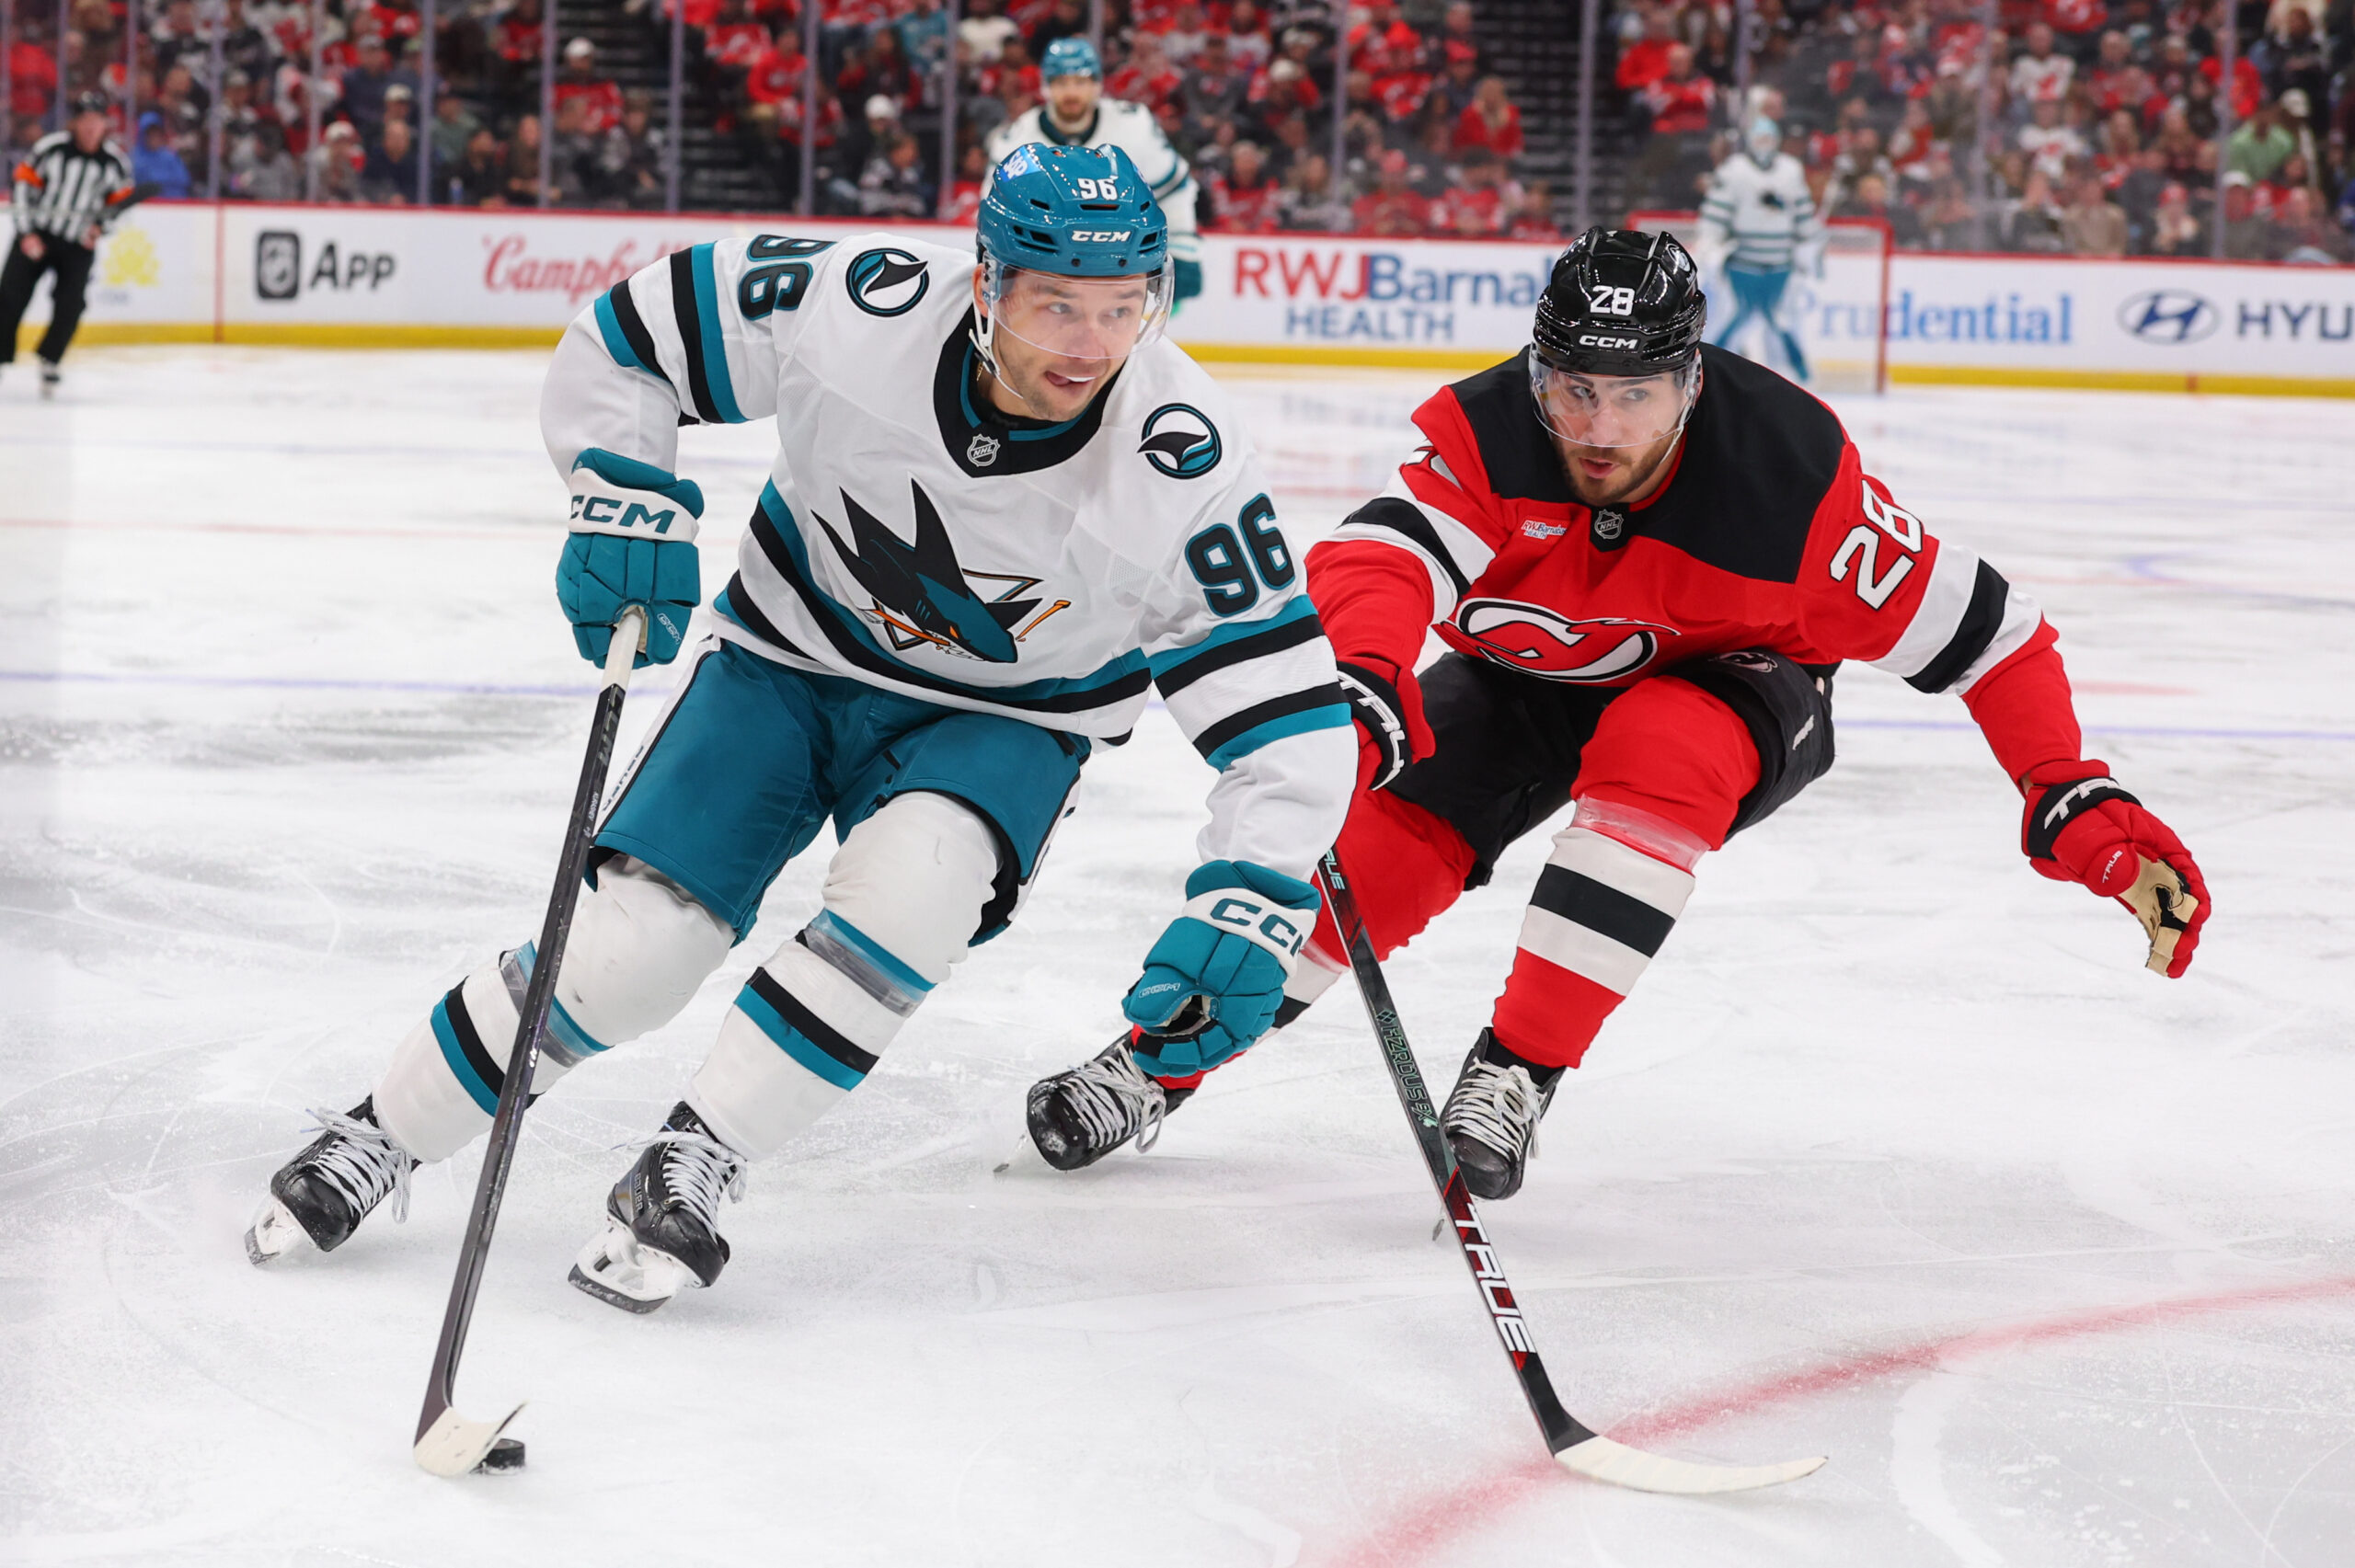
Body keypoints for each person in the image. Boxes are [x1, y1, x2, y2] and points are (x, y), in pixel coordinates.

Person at [243, 143, 1356, 1310]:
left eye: (1124, 309)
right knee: (634, 951)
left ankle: (702, 1150)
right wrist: (618, 487)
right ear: (985, 286)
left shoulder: (1181, 456)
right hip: (785, 659)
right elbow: (633, 335)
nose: (1090, 345)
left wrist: (1258, 886)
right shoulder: (855, 307)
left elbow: (1280, 702)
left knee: (914, 894)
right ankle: (386, 1131)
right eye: (1057, 306)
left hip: (1010, 721)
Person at [1021, 228, 2211, 1194]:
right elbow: (1380, 560)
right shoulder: (1490, 437)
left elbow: (1994, 637)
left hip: (1739, 686)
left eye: (1632, 395)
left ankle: (1518, 1070)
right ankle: (1156, 1064)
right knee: (1373, 851)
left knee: (1663, 747)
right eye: (1573, 390)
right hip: (1531, 678)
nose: (1596, 428)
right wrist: (1370, 678)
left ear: (1690, 381)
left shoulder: (1796, 498)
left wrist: (2076, 797)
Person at [983, 39, 1205, 306]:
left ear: (1097, 84)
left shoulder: (1133, 125)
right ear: (1046, 86)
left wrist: (1183, 248)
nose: (1071, 92)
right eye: (1061, 82)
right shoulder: (1016, 141)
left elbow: (1174, 188)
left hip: (1124, 262)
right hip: (1049, 265)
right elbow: (994, 210)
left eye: (1080, 82)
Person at [2, 92, 134, 398]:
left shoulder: (114, 162)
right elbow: (22, 184)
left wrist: (100, 229)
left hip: (78, 244)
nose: (91, 127)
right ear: (75, 123)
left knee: (71, 304)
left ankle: (51, 359)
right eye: (85, 120)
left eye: (97, 120)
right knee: (8, 298)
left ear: (105, 124)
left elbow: (120, 208)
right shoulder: (51, 149)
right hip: (38, 234)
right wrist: (26, 234)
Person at [1697, 116, 1822, 383]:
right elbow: (1716, 214)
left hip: (1781, 264)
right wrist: (1710, 245)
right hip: (1742, 263)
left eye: (1768, 139)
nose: (1764, 144)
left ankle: (1796, 377)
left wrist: (1810, 244)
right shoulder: (1734, 170)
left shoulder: (1790, 170)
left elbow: (1802, 213)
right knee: (1735, 319)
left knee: (1781, 321)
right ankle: (1709, 370)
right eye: (1759, 139)